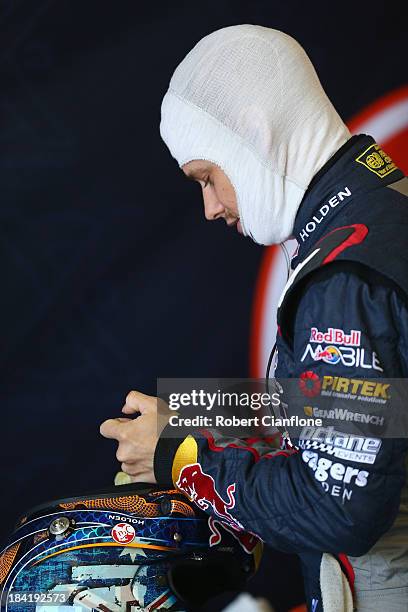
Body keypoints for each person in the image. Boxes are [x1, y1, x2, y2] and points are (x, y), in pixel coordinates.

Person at [100, 25, 408, 611]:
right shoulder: (383, 206)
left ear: (253, 132)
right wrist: (193, 410)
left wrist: (177, 457)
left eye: (207, 178)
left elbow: (340, 507)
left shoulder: (346, 274)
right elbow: (354, 406)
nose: (211, 207)